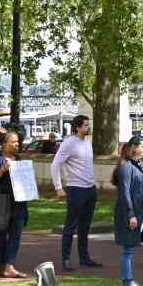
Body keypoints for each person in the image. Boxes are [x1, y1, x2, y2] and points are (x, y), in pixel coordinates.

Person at [51, 115, 102, 272]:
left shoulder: (87, 142)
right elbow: (55, 164)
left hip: (89, 189)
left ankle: (84, 258)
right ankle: (66, 259)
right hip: (75, 189)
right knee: (70, 227)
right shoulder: (69, 143)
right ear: (78, 127)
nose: (88, 127)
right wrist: (58, 187)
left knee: (85, 227)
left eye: (88, 125)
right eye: (86, 125)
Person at [113, 135, 143, 286]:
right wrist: (131, 214)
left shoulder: (138, 166)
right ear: (134, 147)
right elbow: (124, 192)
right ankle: (126, 284)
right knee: (127, 250)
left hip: (137, 214)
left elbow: (137, 187)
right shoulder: (126, 167)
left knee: (130, 250)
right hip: (128, 215)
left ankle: (129, 281)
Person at [0, 131, 29, 278]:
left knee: (15, 236)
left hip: (18, 204)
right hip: (2, 204)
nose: (17, 144)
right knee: (0, 237)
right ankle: (0, 266)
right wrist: (2, 171)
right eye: (13, 142)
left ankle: (9, 266)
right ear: (4, 144)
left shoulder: (18, 159)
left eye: (18, 142)